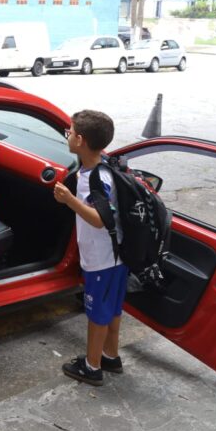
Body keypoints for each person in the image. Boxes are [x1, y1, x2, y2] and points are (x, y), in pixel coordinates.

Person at [53, 109, 125, 386]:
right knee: (113, 309)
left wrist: (69, 199)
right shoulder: (106, 166)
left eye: (68, 132)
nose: (67, 136)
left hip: (102, 260)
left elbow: (98, 219)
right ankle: (111, 356)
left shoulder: (94, 179)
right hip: (115, 257)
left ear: (80, 140)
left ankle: (92, 366)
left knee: (97, 315)